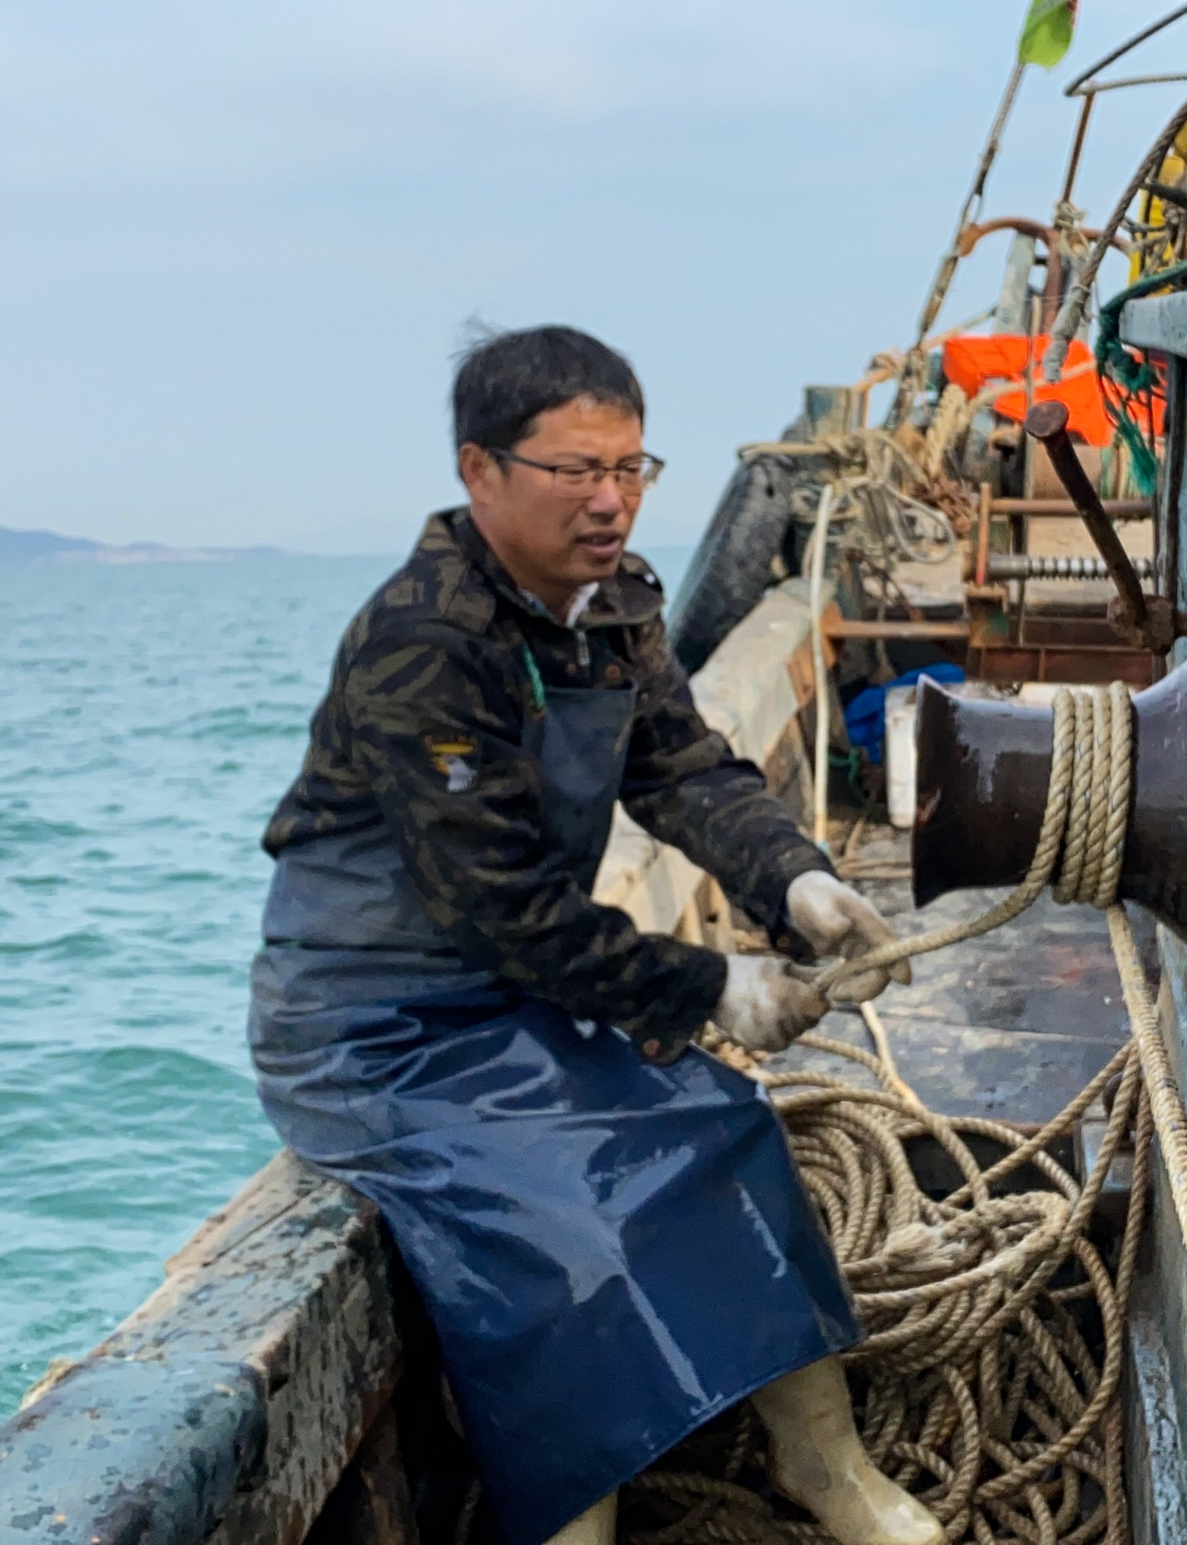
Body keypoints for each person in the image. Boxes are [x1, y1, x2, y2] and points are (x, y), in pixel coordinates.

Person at [247, 325, 941, 1545]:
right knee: (561, 1223)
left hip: (511, 1001)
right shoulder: (423, 638)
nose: (611, 501)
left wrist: (795, 883)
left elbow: (681, 772)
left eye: (631, 468)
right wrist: (711, 989)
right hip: (372, 1036)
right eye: (576, 470)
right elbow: (503, 911)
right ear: (480, 470)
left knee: (722, 1127)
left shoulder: (615, 603)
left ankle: (823, 1467)